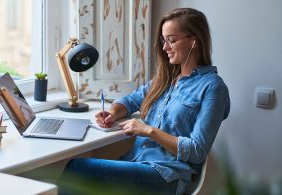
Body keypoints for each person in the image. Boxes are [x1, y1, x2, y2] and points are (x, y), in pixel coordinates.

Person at [58, 7, 230, 195]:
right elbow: (130, 100)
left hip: (167, 175)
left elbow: (197, 151)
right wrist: (112, 113)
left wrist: (148, 130)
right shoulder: (165, 80)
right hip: (135, 162)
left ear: (194, 41)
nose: (165, 48)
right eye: (164, 41)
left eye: (171, 40)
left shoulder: (213, 87)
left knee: (78, 170)